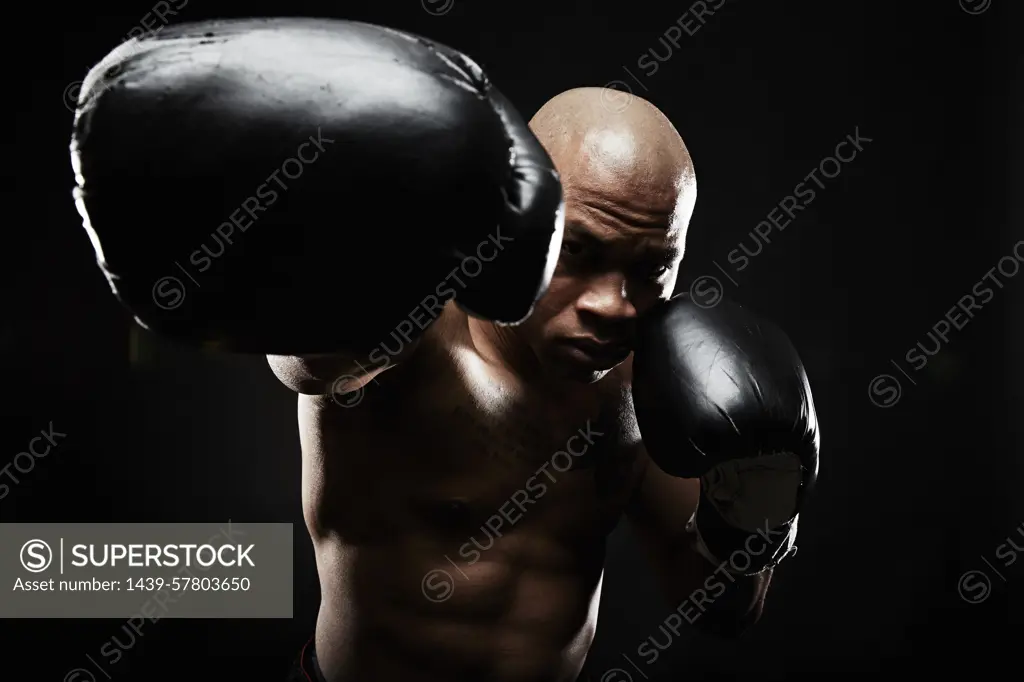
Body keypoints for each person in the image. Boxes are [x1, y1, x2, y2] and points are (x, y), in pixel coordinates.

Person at [70, 18, 820, 682]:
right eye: (581, 253)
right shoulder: (415, 332)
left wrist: (758, 509)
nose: (610, 305)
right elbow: (308, 361)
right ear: (533, 219)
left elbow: (720, 610)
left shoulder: (653, 385)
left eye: (650, 268)